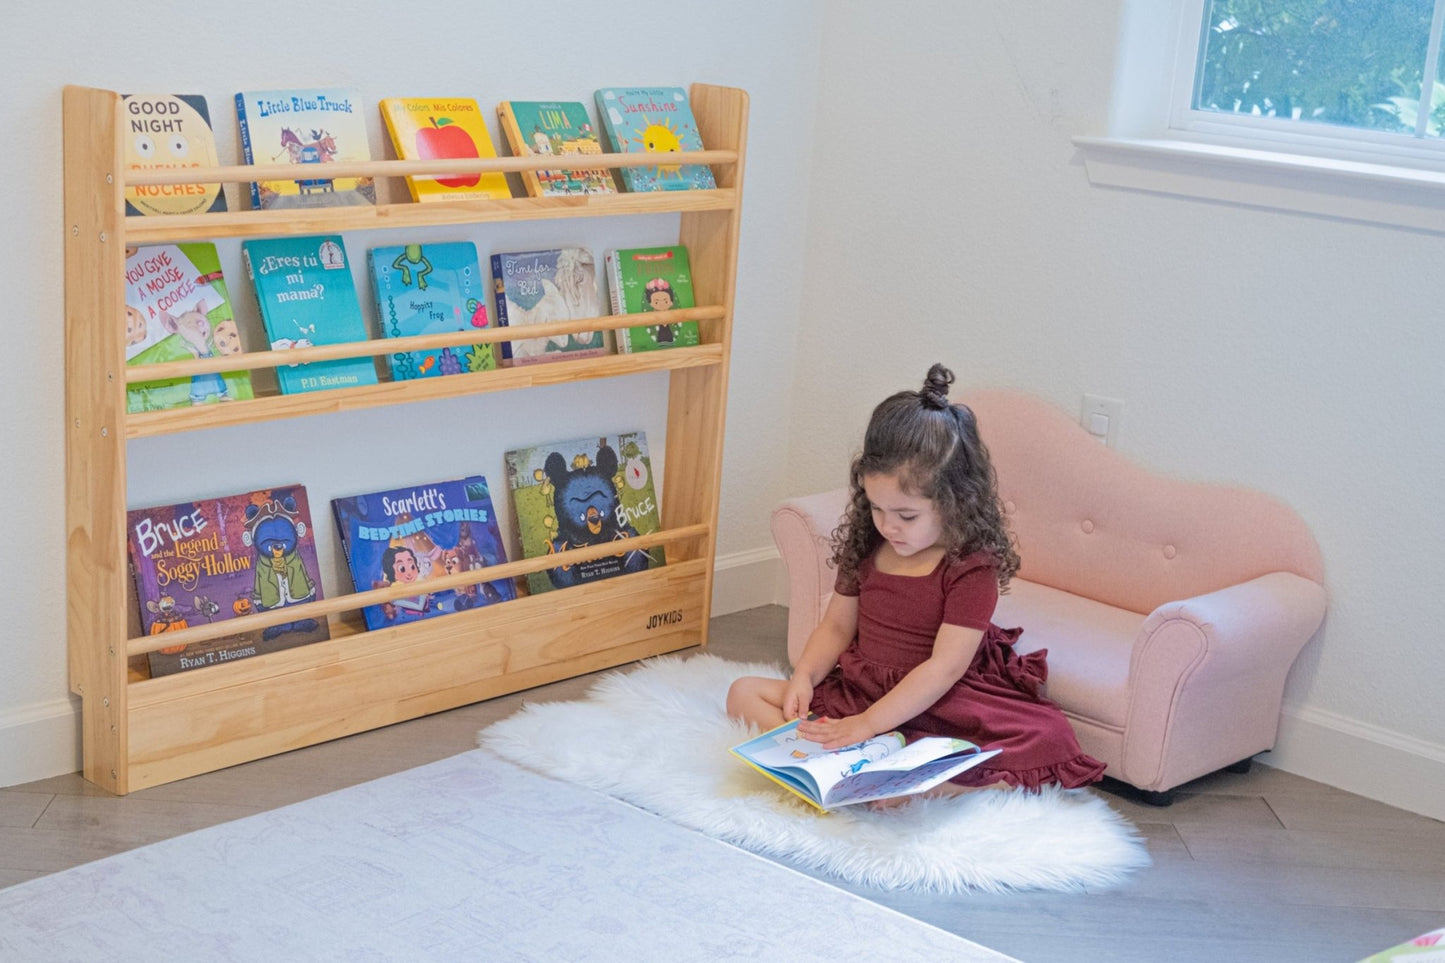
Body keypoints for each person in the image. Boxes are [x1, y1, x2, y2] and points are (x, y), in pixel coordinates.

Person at [727, 363, 1105, 796]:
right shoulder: (869, 542)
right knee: (743, 693)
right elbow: (835, 626)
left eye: (906, 515)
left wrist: (868, 724)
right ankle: (843, 761)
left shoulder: (970, 567)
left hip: (942, 699)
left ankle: (940, 780)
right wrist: (805, 678)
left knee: (1049, 735)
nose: (889, 526)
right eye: (876, 508)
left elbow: (944, 668)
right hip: (862, 690)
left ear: (953, 502)